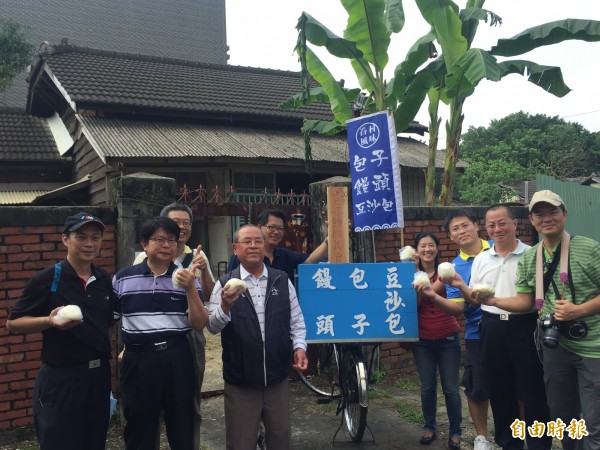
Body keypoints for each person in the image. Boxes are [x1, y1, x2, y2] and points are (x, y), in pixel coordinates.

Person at [479, 190, 600, 450]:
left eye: (553, 212)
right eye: (539, 214)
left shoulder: (588, 248)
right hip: (555, 349)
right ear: (531, 221)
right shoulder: (530, 257)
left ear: (564, 214)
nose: (547, 219)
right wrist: (493, 301)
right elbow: (524, 301)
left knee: (593, 422)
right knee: (564, 419)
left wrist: (578, 311)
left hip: (593, 349)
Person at [6, 212, 114, 450]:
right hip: (61, 378)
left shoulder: (104, 279)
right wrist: (49, 321)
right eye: (81, 237)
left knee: (94, 441)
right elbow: (13, 323)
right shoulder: (47, 279)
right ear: (65, 239)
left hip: (98, 377)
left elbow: (110, 321)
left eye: (95, 238)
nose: (89, 244)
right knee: (59, 443)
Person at [207, 224, 308, 450]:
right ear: (235, 248)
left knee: (280, 438)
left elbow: (297, 320)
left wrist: (299, 347)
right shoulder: (225, 284)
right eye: (247, 241)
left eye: (258, 241)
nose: (253, 245)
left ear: (264, 247)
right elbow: (212, 327)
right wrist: (224, 306)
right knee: (241, 441)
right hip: (241, 379)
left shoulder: (281, 280)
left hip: (277, 377)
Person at [113, 216, 208, 450]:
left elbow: (198, 323)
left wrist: (190, 289)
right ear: (144, 244)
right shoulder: (123, 278)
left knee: (182, 425)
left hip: (177, 356)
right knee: (138, 426)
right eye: (160, 239)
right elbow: (112, 321)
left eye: (172, 240)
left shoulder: (186, 277)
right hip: (138, 359)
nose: (167, 245)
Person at [471, 204, 551, 450]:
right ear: (486, 229)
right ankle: (509, 443)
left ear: (515, 223)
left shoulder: (533, 254)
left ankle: (539, 444)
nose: (497, 229)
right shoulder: (481, 259)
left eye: (502, 223)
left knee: (533, 388)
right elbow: (475, 296)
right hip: (491, 327)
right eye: (492, 225)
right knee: (499, 388)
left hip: (525, 327)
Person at [443, 209, 493, 450]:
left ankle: (520, 434)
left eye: (465, 225)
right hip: (477, 332)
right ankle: (482, 437)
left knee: (518, 385)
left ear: (476, 225)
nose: (461, 231)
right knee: (476, 388)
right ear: (451, 237)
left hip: (512, 326)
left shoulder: (498, 248)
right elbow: (459, 308)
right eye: (455, 229)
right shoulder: (453, 268)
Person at [411, 232, 462, 449]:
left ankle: (455, 431)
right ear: (416, 250)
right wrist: (413, 273)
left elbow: (457, 307)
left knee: (451, 388)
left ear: (437, 248)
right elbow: (410, 306)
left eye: (431, 245)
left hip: (448, 338)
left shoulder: (447, 273)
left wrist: (433, 288)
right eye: (423, 246)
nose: (427, 249)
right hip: (422, 340)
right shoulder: (409, 274)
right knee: (427, 387)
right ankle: (429, 427)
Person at [227, 209, 328, 283]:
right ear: (259, 227)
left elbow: (310, 260)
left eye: (280, 228)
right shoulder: (242, 257)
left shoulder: (285, 256)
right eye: (272, 227)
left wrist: (328, 241)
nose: (276, 232)